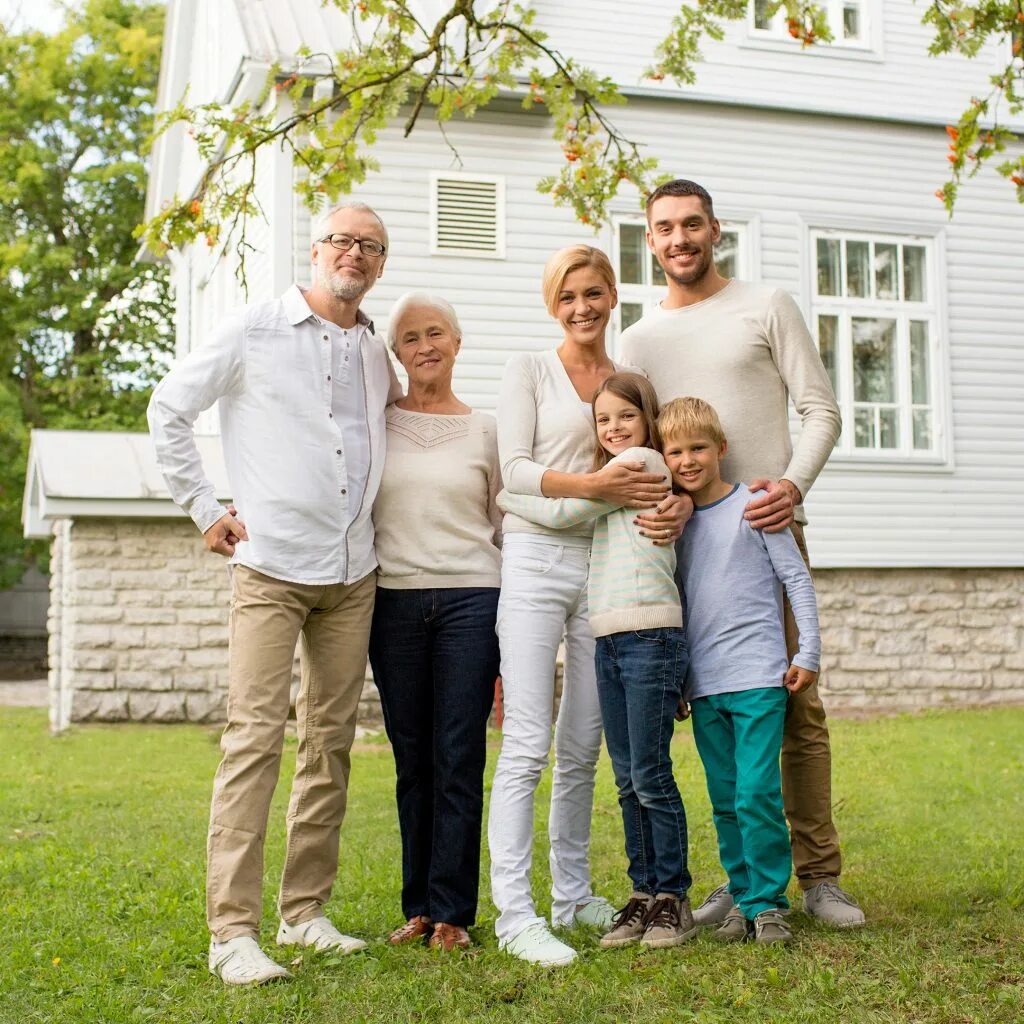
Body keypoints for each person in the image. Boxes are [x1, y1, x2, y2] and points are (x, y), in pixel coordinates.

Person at [148, 201, 401, 985]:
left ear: (380, 265)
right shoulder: (254, 327)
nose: (353, 254)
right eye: (341, 241)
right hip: (269, 567)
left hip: (352, 574)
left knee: (330, 746)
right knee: (253, 741)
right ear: (316, 249)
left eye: (370, 247)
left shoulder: (376, 352)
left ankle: (304, 915)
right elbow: (169, 408)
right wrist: (203, 507)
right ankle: (232, 932)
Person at [619, 178, 862, 928]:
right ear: (649, 238)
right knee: (715, 712)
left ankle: (818, 876)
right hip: (683, 552)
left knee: (794, 704)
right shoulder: (638, 339)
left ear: (715, 230)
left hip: (766, 532)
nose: (679, 239)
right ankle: (741, 877)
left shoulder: (767, 305)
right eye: (665, 228)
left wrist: (790, 485)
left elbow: (821, 408)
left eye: (692, 225)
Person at [489, 245, 690, 967]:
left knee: (582, 749)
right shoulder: (530, 370)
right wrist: (593, 488)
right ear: (554, 302)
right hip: (538, 563)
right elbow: (510, 473)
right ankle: (517, 913)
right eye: (569, 295)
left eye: (595, 292)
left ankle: (573, 896)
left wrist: (683, 504)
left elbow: (663, 460)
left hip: (607, 572)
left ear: (612, 296)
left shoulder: (626, 380)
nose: (583, 307)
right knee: (527, 743)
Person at [369, 292, 502, 952]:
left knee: (458, 755)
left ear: (456, 342)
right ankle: (417, 906)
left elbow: (505, 525)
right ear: (396, 354)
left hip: (471, 602)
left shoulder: (486, 429)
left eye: (436, 333)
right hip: (393, 603)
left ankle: (453, 913)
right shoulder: (376, 424)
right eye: (410, 338)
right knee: (411, 760)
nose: (425, 345)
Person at [663, 396, 821, 945]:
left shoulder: (754, 506)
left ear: (721, 449)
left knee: (757, 792)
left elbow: (796, 581)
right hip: (705, 687)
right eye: (675, 451)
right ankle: (742, 894)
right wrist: (680, 680)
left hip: (758, 677)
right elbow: (678, 603)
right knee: (726, 798)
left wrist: (809, 655)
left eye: (698, 448)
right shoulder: (675, 527)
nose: (687, 460)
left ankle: (768, 904)